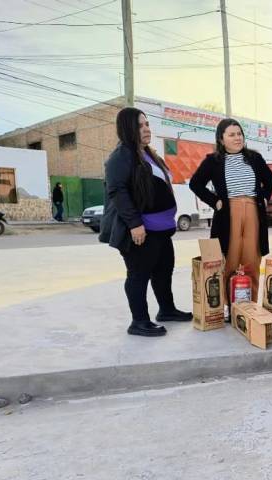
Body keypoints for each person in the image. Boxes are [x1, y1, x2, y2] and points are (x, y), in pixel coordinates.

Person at [101, 107, 192, 337]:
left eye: (147, 124)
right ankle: (139, 321)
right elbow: (117, 191)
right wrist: (135, 224)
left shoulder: (148, 153)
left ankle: (167, 310)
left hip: (161, 230)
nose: (146, 129)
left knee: (163, 271)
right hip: (141, 230)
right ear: (128, 128)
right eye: (140, 126)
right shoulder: (121, 156)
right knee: (138, 275)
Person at [189, 118, 272, 319]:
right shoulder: (213, 161)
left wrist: (264, 196)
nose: (237, 138)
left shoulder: (254, 158)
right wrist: (215, 201)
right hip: (229, 213)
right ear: (221, 139)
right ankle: (228, 306)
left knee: (252, 259)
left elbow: (271, 180)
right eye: (232, 134)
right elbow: (195, 184)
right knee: (230, 259)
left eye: (239, 134)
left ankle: (250, 305)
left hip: (253, 210)